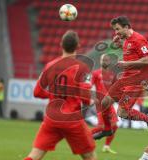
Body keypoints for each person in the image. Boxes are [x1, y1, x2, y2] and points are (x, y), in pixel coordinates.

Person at [24, 30, 96, 160]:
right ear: (78, 46)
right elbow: (85, 97)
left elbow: (37, 93)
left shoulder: (49, 66)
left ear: (61, 44)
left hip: (52, 119)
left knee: (34, 155)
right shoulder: (82, 68)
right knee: (89, 156)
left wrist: (55, 94)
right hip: (72, 120)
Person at [94, 16, 148, 140]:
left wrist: (126, 64)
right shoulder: (126, 39)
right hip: (126, 78)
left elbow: (147, 60)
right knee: (104, 102)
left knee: (122, 113)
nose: (116, 32)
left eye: (117, 29)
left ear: (126, 27)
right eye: (114, 30)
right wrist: (117, 41)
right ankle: (107, 130)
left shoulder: (139, 39)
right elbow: (127, 49)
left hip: (136, 81)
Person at [91, 54, 118, 154]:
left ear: (109, 62)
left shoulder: (111, 74)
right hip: (100, 104)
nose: (105, 62)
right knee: (101, 127)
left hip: (109, 103)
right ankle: (84, 137)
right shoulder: (95, 73)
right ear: (100, 61)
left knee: (114, 126)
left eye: (107, 60)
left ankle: (106, 146)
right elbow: (90, 86)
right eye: (103, 60)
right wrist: (93, 98)